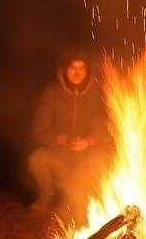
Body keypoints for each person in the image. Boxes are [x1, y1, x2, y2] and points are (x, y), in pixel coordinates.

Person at [27, 48, 107, 220]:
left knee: (101, 161)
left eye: (82, 68)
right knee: (37, 159)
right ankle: (47, 197)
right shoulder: (52, 93)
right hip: (61, 152)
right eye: (72, 68)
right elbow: (39, 130)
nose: (77, 73)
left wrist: (90, 141)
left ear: (87, 71)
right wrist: (60, 140)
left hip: (87, 154)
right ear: (64, 71)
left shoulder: (95, 94)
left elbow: (106, 127)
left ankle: (92, 200)